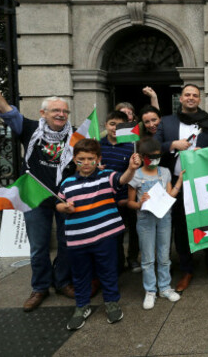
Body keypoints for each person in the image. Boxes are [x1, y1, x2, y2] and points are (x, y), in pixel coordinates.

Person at [0, 57, 74, 312]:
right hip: (34, 197)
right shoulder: (28, 129)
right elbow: (3, 106)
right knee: (39, 246)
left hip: (63, 198)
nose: (61, 114)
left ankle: (62, 281)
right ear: (43, 113)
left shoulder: (76, 137)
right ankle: (40, 287)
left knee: (66, 243)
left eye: (64, 111)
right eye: (55, 111)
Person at [56, 138, 140, 330]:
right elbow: (58, 203)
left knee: (108, 271)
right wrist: (64, 207)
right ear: (74, 160)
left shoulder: (106, 176)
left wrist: (132, 168)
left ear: (98, 159)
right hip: (78, 240)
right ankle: (82, 305)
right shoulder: (67, 183)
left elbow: (123, 179)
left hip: (105, 237)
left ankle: (111, 302)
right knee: (80, 274)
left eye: (91, 159)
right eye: (81, 159)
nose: (86, 163)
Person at [155, 84, 208, 292]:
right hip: (176, 184)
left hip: (204, 182)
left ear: (199, 99)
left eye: (195, 95)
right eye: (187, 94)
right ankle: (186, 269)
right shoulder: (167, 122)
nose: (191, 98)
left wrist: (203, 152)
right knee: (181, 227)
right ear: (181, 97)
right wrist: (172, 145)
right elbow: (153, 147)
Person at [127, 138, 182, 310]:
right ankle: (150, 290)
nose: (155, 159)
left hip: (164, 217)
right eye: (151, 157)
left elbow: (170, 194)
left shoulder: (164, 171)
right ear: (143, 157)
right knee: (148, 258)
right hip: (145, 219)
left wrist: (179, 180)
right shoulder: (135, 175)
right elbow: (129, 203)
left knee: (164, 255)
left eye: (158, 156)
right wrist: (140, 202)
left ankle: (165, 287)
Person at [100, 111, 140, 274]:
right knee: (113, 233)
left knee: (134, 229)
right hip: (106, 199)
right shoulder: (98, 146)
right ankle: (118, 262)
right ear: (105, 125)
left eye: (119, 125)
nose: (115, 128)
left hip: (127, 197)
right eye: (112, 124)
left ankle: (132, 258)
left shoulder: (131, 147)